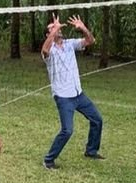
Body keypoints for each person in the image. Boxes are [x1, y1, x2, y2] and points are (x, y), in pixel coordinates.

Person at [41, 13, 103, 168]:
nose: (58, 29)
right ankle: (48, 160)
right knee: (67, 131)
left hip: (78, 94)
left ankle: (91, 151)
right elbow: (45, 49)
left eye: (57, 28)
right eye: (52, 29)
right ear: (48, 34)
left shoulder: (70, 44)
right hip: (63, 97)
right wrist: (54, 31)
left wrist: (83, 28)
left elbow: (90, 41)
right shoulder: (49, 52)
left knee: (97, 120)